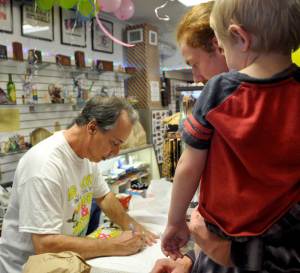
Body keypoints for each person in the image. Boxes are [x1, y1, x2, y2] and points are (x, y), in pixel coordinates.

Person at [161, 0, 300, 272]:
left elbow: (188, 167)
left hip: (226, 236)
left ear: (240, 37)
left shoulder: (220, 90)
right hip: (280, 236)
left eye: (223, 47)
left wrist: (175, 221)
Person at [0, 96, 157, 273]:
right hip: (27, 268)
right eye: (114, 143)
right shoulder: (44, 165)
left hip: (65, 262)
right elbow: (44, 245)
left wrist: (133, 226)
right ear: (92, 128)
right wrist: (113, 246)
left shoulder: (87, 156)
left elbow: (104, 196)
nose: (116, 152)